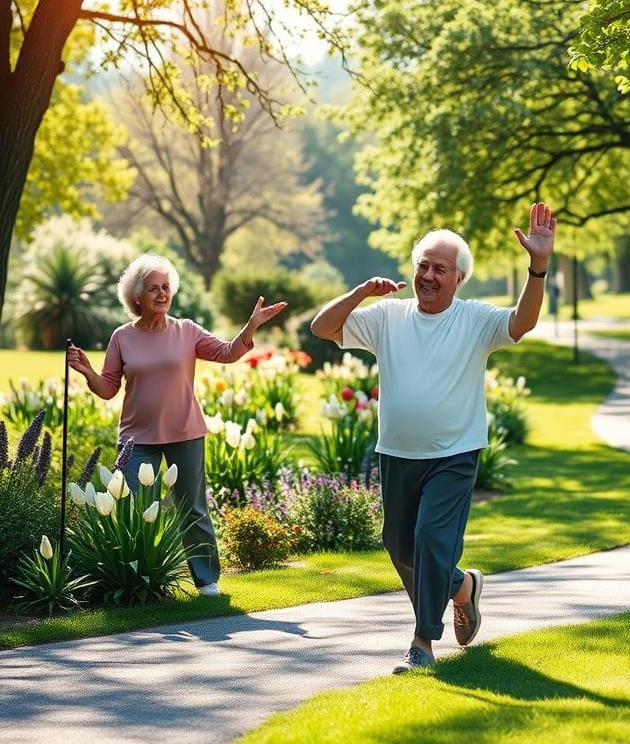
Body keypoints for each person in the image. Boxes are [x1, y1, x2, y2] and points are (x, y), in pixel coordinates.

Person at [311, 202, 557, 673]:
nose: (427, 275)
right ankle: (462, 588)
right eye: (422, 265)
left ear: (459, 279)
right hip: (397, 453)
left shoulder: (474, 320)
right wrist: (360, 292)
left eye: (439, 268)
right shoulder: (387, 316)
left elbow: (522, 323)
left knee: (429, 539)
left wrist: (538, 266)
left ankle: (422, 643)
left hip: (454, 454)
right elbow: (323, 327)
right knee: (400, 546)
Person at [67, 253, 286, 596]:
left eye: (166, 287)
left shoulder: (186, 331)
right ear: (136, 296)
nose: (162, 294)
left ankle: (206, 580)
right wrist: (87, 372)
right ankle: (137, 579)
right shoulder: (122, 337)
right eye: (153, 288)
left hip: (185, 433)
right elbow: (108, 388)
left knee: (192, 508)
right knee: (131, 507)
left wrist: (252, 325)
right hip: (136, 439)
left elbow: (228, 352)